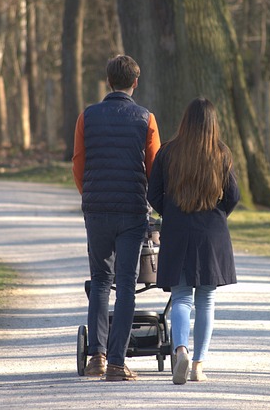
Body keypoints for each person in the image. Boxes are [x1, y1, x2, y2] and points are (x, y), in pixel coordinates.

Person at [72, 55, 161, 381]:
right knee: (125, 284)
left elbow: (78, 164)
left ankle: (96, 356)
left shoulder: (87, 117)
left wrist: (90, 196)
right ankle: (117, 363)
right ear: (135, 82)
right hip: (132, 211)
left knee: (100, 281)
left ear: (108, 81)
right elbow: (154, 168)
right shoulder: (145, 119)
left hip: (96, 211)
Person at [147, 97, 240, 385]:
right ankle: (199, 363)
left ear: (185, 122)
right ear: (213, 124)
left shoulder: (168, 153)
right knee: (206, 300)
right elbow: (233, 196)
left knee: (182, 298)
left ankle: (180, 350)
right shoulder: (222, 154)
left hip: (178, 231)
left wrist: (172, 212)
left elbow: (153, 194)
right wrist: (216, 213)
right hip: (211, 234)